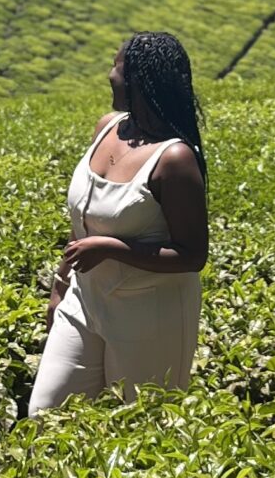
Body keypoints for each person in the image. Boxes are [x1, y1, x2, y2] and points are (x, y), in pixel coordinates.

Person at [28, 29, 209, 413]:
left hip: (150, 313)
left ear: (139, 80)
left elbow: (192, 255)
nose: (110, 75)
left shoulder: (174, 159)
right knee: (46, 417)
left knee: (143, 426)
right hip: (85, 300)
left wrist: (113, 249)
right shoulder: (107, 127)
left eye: (117, 66)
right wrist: (60, 287)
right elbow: (84, 224)